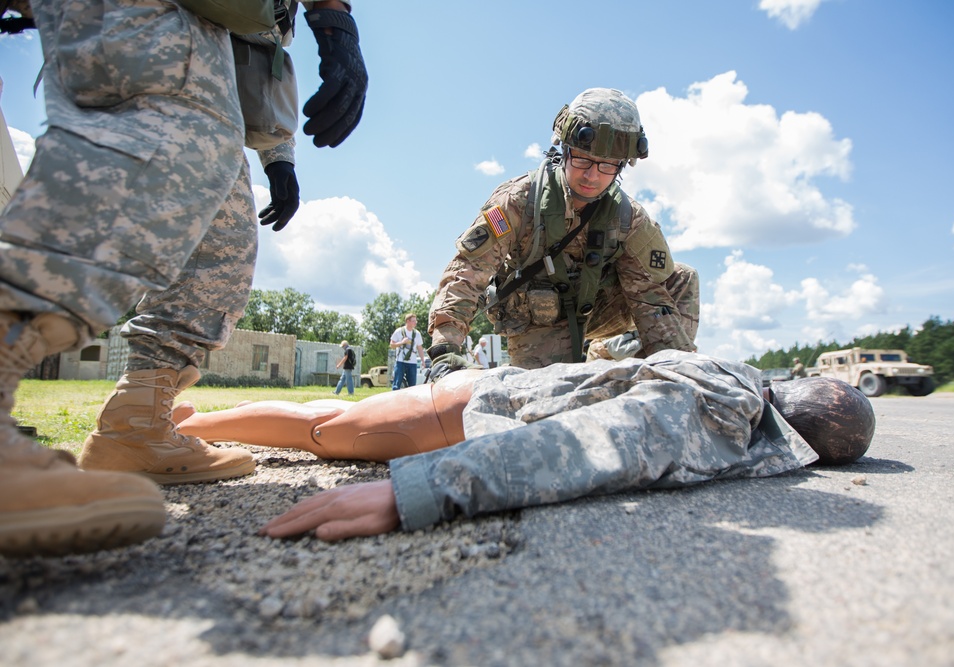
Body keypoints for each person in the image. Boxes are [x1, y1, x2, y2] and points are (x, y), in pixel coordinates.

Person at [0, 0, 366, 557]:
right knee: (166, 134)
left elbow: (251, 50)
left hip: (208, 26)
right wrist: (335, 17)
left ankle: (136, 426)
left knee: (225, 238)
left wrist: (279, 159)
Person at [167, 351, 876, 542]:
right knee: (329, 434)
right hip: (480, 404)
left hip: (500, 397)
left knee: (334, 424)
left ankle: (187, 421)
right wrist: (415, 489)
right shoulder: (727, 404)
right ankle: (183, 426)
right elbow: (598, 441)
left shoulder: (745, 404)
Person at [425, 88, 700, 374]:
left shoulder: (628, 219)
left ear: (622, 165)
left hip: (597, 310)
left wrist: (674, 370)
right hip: (539, 322)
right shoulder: (519, 201)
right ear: (565, 149)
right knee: (548, 398)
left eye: (607, 165)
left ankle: (622, 367)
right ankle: (599, 358)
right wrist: (446, 349)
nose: (592, 175)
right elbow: (468, 272)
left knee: (680, 279)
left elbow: (650, 299)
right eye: (582, 159)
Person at [389, 313, 425, 390]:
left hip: (412, 362)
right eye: (413, 321)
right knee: (397, 384)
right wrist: (402, 342)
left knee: (412, 385)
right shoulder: (399, 331)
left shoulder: (417, 334)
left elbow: (420, 348)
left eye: (416, 321)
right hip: (400, 361)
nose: (415, 322)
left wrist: (422, 361)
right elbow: (392, 345)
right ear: (408, 321)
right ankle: (394, 400)